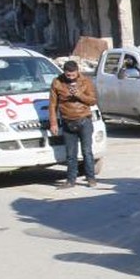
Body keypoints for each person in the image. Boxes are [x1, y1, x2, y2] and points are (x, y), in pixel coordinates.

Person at [48, 60, 98, 189]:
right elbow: (52, 104)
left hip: (84, 120)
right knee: (70, 154)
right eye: (67, 75)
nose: (70, 77)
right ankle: (70, 180)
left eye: (72, 75)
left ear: (77, 71)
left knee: (87, 151)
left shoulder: (86, 81)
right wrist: (53, 123)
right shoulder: (57, 82)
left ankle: (91, 178)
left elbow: (92, 101)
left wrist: (79, 95)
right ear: (64, 72)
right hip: (67, 122)